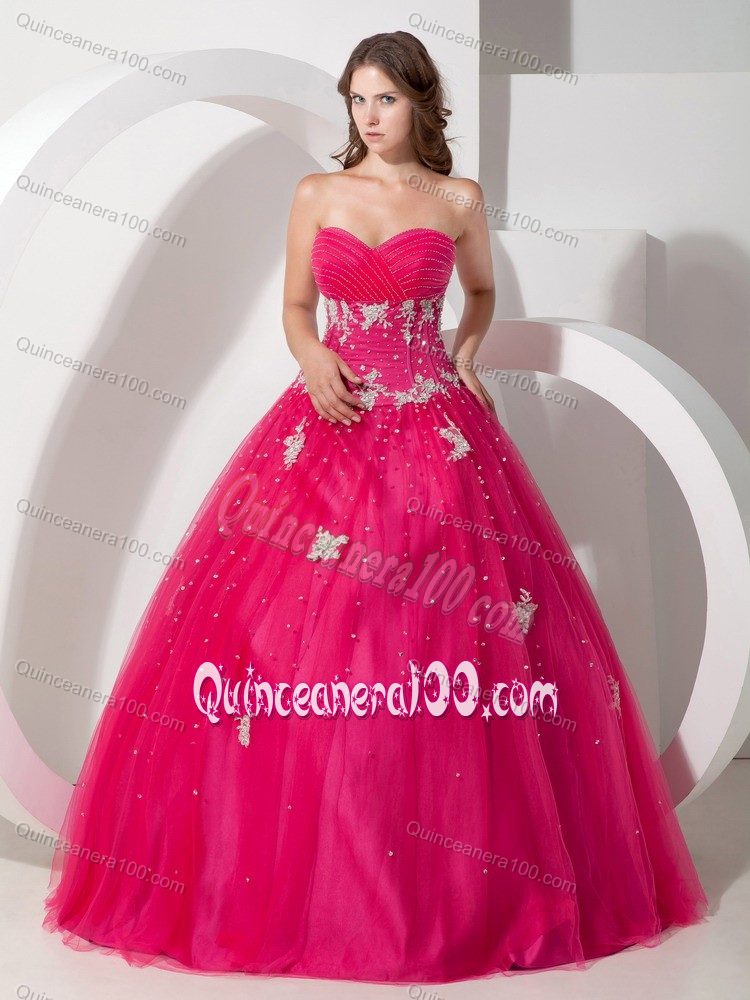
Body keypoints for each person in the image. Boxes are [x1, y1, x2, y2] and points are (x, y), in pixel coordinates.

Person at [42, 30, 709, 983]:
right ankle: (310, 867)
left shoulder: (458, 200)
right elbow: (295, 308)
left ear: (422, 103)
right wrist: (313, 355)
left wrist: (466, 354)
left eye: (385, 99)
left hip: (438, 432)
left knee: (444, 639)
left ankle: (452, 882)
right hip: (334, 420)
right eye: (357, 99)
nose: (368, 115)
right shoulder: (317, 194)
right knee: (300, 636)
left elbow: (480, 292)